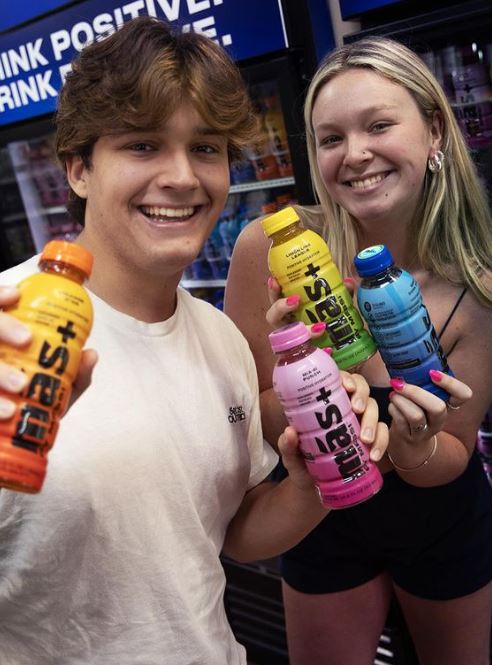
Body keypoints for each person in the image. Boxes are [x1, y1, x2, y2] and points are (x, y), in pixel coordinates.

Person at [0, 17, 388, 665]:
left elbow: (230, 533)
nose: (183, 176)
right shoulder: (15, 326)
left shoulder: (223, 340)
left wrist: (309, 484)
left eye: (207, 148)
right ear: (78, 169)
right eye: (144, 145)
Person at [225, 36, 492, 665]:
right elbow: (249, 407)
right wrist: (305, 378)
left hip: (441, 520)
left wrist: (410, 442)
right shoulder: (269, 248)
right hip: (319, 511)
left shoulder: (478, 288)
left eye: (378, 125)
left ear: (434, 134)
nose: (356, 154)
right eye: (331, 137)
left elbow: (452, 454)